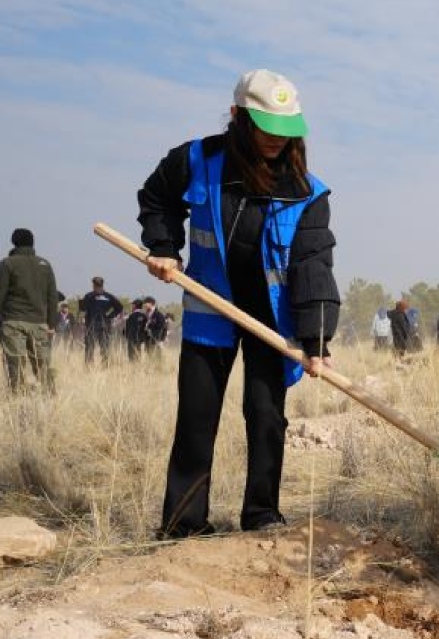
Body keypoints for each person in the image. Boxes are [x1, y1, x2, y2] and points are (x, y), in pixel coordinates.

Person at [137, 69, 340, 538]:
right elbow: (156, 198)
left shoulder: (308, 192)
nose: (276, 140)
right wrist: (164, 246)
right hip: (211, 312)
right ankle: (183, 524)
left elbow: (313, 266)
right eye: (267, 128)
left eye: (285, 131)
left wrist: (316, 338)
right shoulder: (197, 160)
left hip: (273, 320)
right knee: (196, 417)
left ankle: (262, 515)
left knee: (266, 416)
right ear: (238, 117)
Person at [0, 229, 59, 392]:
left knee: (15, 363)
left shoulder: (7, 263)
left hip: (13, 321)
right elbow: (52, 297)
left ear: (14, 242)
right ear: (33, 242)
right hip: (39, 322)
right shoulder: (45, 265)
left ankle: (17, 397)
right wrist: (52, 324)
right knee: (43, 364)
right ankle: (49, 396)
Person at [79, 276, 124, 366]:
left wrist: (110, 316)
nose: (96, 287)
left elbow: (119, 308)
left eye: (98, 285)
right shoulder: (89, 296)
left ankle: (105, 367)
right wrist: (81, 302)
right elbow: (82, 308)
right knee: (89, 348)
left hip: (105, 326)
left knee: (105, 348)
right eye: (96, 285)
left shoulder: (109, 296)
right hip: (91, 326)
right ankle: (89, 368)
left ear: (102, 285)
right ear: (94, 285)